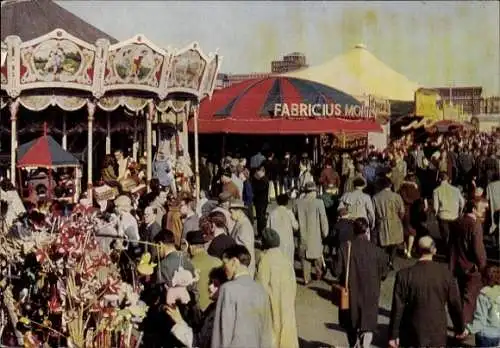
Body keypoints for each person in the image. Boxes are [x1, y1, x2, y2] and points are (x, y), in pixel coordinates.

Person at [388, 236, 465, 348]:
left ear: (416, 250)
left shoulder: (404, 275)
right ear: (434, 250)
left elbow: (398, 308)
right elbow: (455, 304)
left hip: (413, 331)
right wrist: (460, 328)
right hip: (437, 331)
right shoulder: (446, 274)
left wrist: (393, 335)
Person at [333, 218, 389, 348]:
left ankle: (353, 344)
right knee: (367, 325)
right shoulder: (377, 251)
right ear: (367, 230)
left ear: (354, 230)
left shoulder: (345, 248)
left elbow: (336, 271)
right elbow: (384, 274)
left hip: (350, 295)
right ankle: (364, 344)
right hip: (370, 294)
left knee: (351, 325)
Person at [211, 245, 274, 348]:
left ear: (234, 261)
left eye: (225, 263)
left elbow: (222, 334)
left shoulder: (227, 289)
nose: (224, 268)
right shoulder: (261, 290)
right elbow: (266, 332)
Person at [256, 228, 299, 348]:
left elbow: (261, 287)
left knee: (273, 335)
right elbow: (293, 284)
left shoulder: (265, 260)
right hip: (287, 303)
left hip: (272, 305)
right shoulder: (286, 260)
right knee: (288, 333)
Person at [167, 266, 228, 348]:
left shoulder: (217, 311)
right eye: (210, 282)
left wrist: (179, 321)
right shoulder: (214, 306)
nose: (210, 287)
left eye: (216, 285)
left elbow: (198, 341)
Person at [449, 200, 488, 324]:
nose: (484, 212)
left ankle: (459, 323)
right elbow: (478, 249)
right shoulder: (475, 224)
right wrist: (483, 266)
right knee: (470, 298)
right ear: (474, 209)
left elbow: (450, 244)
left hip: (457, 264)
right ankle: (464, 326)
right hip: (472, 267)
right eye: (482, 209)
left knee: (461, 295)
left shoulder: (457, 221)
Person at [294, 181, 329, 284]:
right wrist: (325, 233)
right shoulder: (319, 203)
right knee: (318, 256)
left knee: (304, 259)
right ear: (314, 191)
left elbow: (293, 217)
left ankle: (306, 278)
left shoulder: (298, 202)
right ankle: (319, 273)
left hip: (303, 236)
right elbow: (323, 220)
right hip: (316, 236)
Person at [458, 266, 500, 347]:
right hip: (497, 334)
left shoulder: (484, 295)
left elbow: (480, 321)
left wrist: (468, 330)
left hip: (485, 335)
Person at [186, 230, 223, 312]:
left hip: (198, 312)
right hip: (216, 308)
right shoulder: (218, 262)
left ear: (190, 247)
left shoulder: (188, 266)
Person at [372, 176, 405, 267]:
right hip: (395, 221)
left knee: (383, 244)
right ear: (390, 185)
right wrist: (399, 219)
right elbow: (402, 212)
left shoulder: (376, 197)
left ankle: (383, 261)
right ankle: (391, 261)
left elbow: (373, 212)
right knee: (394, 244)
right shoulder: (397, 196)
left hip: (382, 222)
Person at [433, 171, 465, 258]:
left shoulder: (436, 191)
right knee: (454, 235)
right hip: (454, 215)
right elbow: (462, 202)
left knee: (446, 235)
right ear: (448, 179)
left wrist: (436, 213)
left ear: (439, 179)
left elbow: (435, 207)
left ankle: (448, 252)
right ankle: (454, 252)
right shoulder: (456, 190)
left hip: (443, 216)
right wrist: (460, 211)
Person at [267, 193, 298, 267]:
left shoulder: (272, 213)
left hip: (275, 244)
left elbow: (267, 228)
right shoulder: (289, 213)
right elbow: (296, 227)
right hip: (288, 243)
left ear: (277, 202)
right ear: (287, 202)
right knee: (288, 265)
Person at [228, 199, 256, 278]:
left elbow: (245, 250)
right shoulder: (240, 223)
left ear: (239, 211)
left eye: (232, 212)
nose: (230, 215)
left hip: (244, 268)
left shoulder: (244, 226)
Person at [252, 165, 270, 238]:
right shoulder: (262, 179)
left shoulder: (263, 180)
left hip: (261, 202)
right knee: (260, 217)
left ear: (261, 171)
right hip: (261, 201)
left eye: (257, 171)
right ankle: (261, 233)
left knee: (260, 218)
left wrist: (254, 179)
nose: (257, 173)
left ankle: (261, 233)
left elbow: (257, 189)